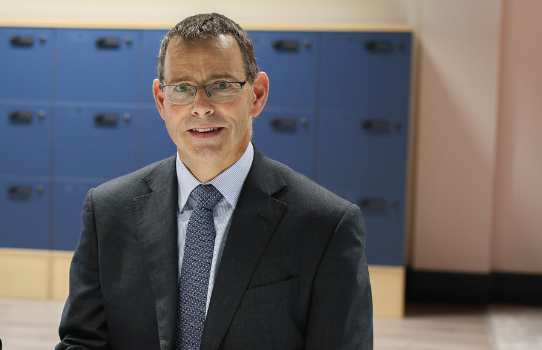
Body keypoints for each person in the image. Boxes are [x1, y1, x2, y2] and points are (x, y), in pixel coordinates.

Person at [57, 13, 372, 350]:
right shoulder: (107, 211)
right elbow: (83, 341)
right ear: (161, 101)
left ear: (258, 94)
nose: (201, 107)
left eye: (222, 85)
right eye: (182, 88)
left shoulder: (326, 226)